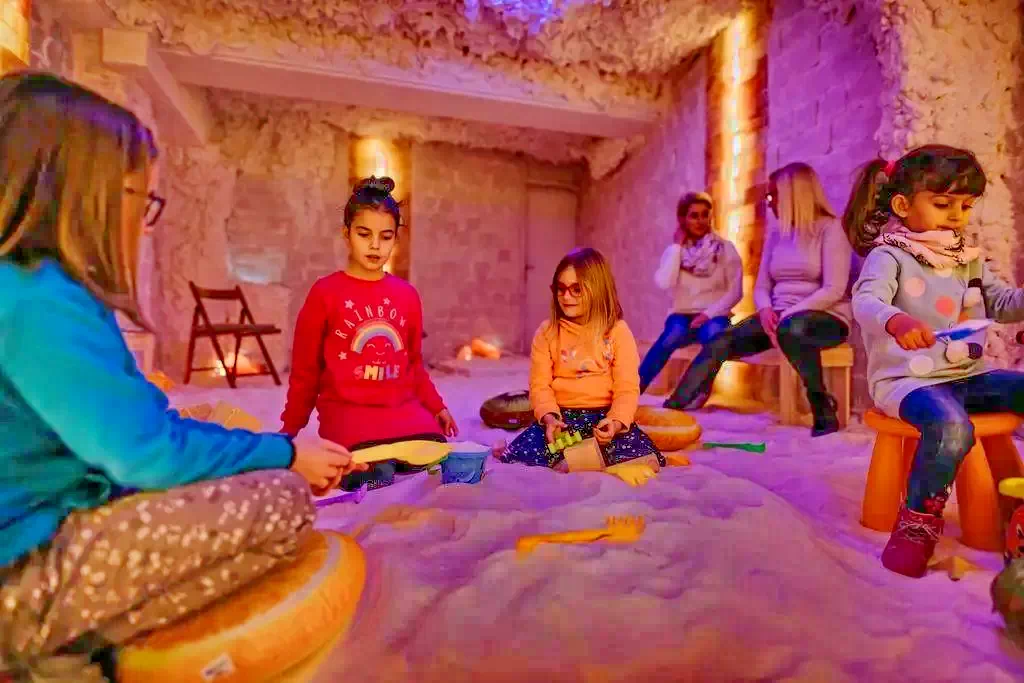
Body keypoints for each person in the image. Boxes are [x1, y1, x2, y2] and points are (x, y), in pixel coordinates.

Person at [0, 72, 364, 680]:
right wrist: (285, 453)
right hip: (24, 572)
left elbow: (122, 429)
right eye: (140, 199)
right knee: (284, 498)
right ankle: (60, 649)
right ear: (84, 194)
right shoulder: (39, 303)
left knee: (216, 440)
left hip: (48, 520)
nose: (144, 221)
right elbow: (147, 455)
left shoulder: (30, 291)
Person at [845, 144, 1024, 578]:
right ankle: (917, 525)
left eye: (965, 206)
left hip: (968, 374)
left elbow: (1002, 303)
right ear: (903, 205)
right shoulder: (890, 256)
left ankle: (1015, 504)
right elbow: (865, 301)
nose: (956, 215)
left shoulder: (966, 258)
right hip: (909, 382)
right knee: (951, 427)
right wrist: (896, 319)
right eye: (943, 204)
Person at [280, 176, 457, 491]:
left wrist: (436, 407)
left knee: (435, 453)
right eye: (364, 234)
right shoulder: (324, 293)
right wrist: (289, 433)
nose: (375, 245)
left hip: (400, 410)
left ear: (395, 239)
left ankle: (396, 451)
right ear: (346, 234)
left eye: (385, 237)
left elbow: (413, 364)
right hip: (348, 414)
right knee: (373, 474)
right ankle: (371, 461)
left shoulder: (407, 295)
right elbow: (305, 373)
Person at [665, 163, 852, 437]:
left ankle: (822, 406)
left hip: (825, 317)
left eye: (774, 195)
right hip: (776, 318)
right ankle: (674, 407)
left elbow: (834, 289)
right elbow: (762, 285)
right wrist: (765, 310)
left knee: (792, 329)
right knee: (721, 340)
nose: (770, 201)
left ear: (794, 195)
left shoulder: (830, 229)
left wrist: (787, 315)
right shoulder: (777, 233)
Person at [496, 247, 664, 472]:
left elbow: (627, 388)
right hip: (563, 420)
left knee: (642, 456)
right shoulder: (547, 333)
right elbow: (540, 386)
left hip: (604, 419)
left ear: (597, 290)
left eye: (577, 290)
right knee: (525, 455)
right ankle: (575, 459)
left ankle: (584, 459)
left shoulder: (617, 332)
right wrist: (549, 418)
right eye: (561, 289)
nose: (566, 297)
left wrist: (615, 422)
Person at [639, 192, 742, 394]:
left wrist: (708, 314)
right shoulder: (675, 251)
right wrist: (677, 246)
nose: (700, 221)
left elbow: (736, 291)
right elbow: (663, 282)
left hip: (715, 316)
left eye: (705, 215)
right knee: (672, 335)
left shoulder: (725, 248)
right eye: (694, 216)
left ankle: (694, 394)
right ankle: (631, 391)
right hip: (682, 316)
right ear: (682, 219)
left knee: (713, 336)